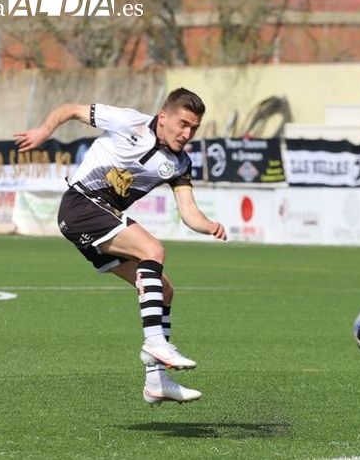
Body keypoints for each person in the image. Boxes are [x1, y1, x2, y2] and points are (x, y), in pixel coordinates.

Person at [15, 87, 227, 406]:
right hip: (81, 204)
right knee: (152, 251)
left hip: (98, 218)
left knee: (165, 290)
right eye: (183, 124)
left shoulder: (180, 163)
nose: (188, 133)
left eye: (194, 128)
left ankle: (156, 381)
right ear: (164, 116)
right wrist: (44, 131)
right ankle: (154, 342)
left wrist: (208, 224)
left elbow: (188, 212)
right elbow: (72, 107)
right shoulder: (129, 122)